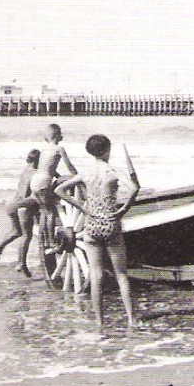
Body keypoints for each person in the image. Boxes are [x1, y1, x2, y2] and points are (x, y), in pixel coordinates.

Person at [54, 135, 140, 330]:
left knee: (96, 275)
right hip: (111, 223)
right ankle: (131, 319)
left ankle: (100, 321)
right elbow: (134, 189)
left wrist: (83, 208)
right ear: (107, 150)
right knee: (121, 274)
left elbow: (59, 190)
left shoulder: (86, 172)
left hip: (91, 225)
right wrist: (124, 209)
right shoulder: (112, 171)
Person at [0, 149, 41, 277]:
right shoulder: (37, 173)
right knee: (26, 235)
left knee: (16, 231)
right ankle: (21, 263)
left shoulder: (25, 170)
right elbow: (29, 194)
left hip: (11, 204)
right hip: (22, 206)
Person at [31, 124, 77, 253]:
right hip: (44, 183)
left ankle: (44, 241)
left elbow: (48, 168)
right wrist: (77, 178)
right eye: (60, 133)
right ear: (57, 135)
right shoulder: (59, 149)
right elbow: (70, 166)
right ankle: (51, 242)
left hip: (35, 182)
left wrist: (58, 177)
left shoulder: (44, 150)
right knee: (50, 213)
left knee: (45, 213)